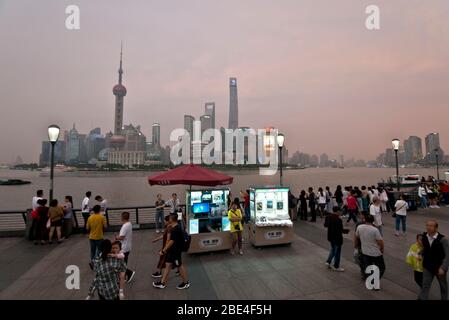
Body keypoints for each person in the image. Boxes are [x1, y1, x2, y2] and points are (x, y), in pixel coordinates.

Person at [153, 214, 190, 290]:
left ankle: (186, 283)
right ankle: (162, 283)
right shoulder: (174, 227)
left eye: (169, 218)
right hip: (172, 251)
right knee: (168, 265)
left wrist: (163, 251)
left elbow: (171, 242)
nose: (167, 219)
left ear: (171, 219)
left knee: (179, 266)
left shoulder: (175, 229)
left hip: (176, 252)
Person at [419, 220, 449, 300]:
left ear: (436, 228)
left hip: (439, 267)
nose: (428, 227)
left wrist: (443, 267)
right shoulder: (424, 236)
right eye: (427, 225)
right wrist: (420, 253)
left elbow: (448, 255)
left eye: (431, 226)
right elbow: (425, 248)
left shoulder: (443, 239)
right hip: (427, 266)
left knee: (443, 286)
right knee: (425, 285)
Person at [354, 214, 385, 286]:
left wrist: (355, 246)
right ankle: (374, 280)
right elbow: (380, 242)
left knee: (368, 267)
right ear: (373, 221)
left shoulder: (360, 227)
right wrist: (382, 249)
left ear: (365, 220)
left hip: (365, 251)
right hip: (375, 253)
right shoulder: (375, 230)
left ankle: (370, 279)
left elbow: (356, 237)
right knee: (381, 267)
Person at [324, 206, 349, 272]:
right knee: (337, 252)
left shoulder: (328, 217)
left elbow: (325, 225)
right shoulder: (338, 219)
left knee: (332, 249)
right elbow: (340, 230)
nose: (341, 212)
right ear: (337, 211)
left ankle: (328, 262)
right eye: (340, 211)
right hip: (337, 238)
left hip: (330, 237)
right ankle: (336, 266)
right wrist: (346, 231)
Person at [115, 211, 136, 283]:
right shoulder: (129, 224)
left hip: (123, 248)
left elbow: (121, 237)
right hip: (128, 247)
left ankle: (129, 273)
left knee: (120, 264)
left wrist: (116, 237)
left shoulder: (124, 226)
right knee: (124, 262)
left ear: (122, 218)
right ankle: (123, 277)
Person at [86, 205, 107, 270]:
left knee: (92, 250)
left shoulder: (90, 218)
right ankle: (97, 262)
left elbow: (87, 228)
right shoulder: (102, 217)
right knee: (100, 250)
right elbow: (105, 226)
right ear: (99, 210)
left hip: (91, 237)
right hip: (99, 237)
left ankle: (92, 262)